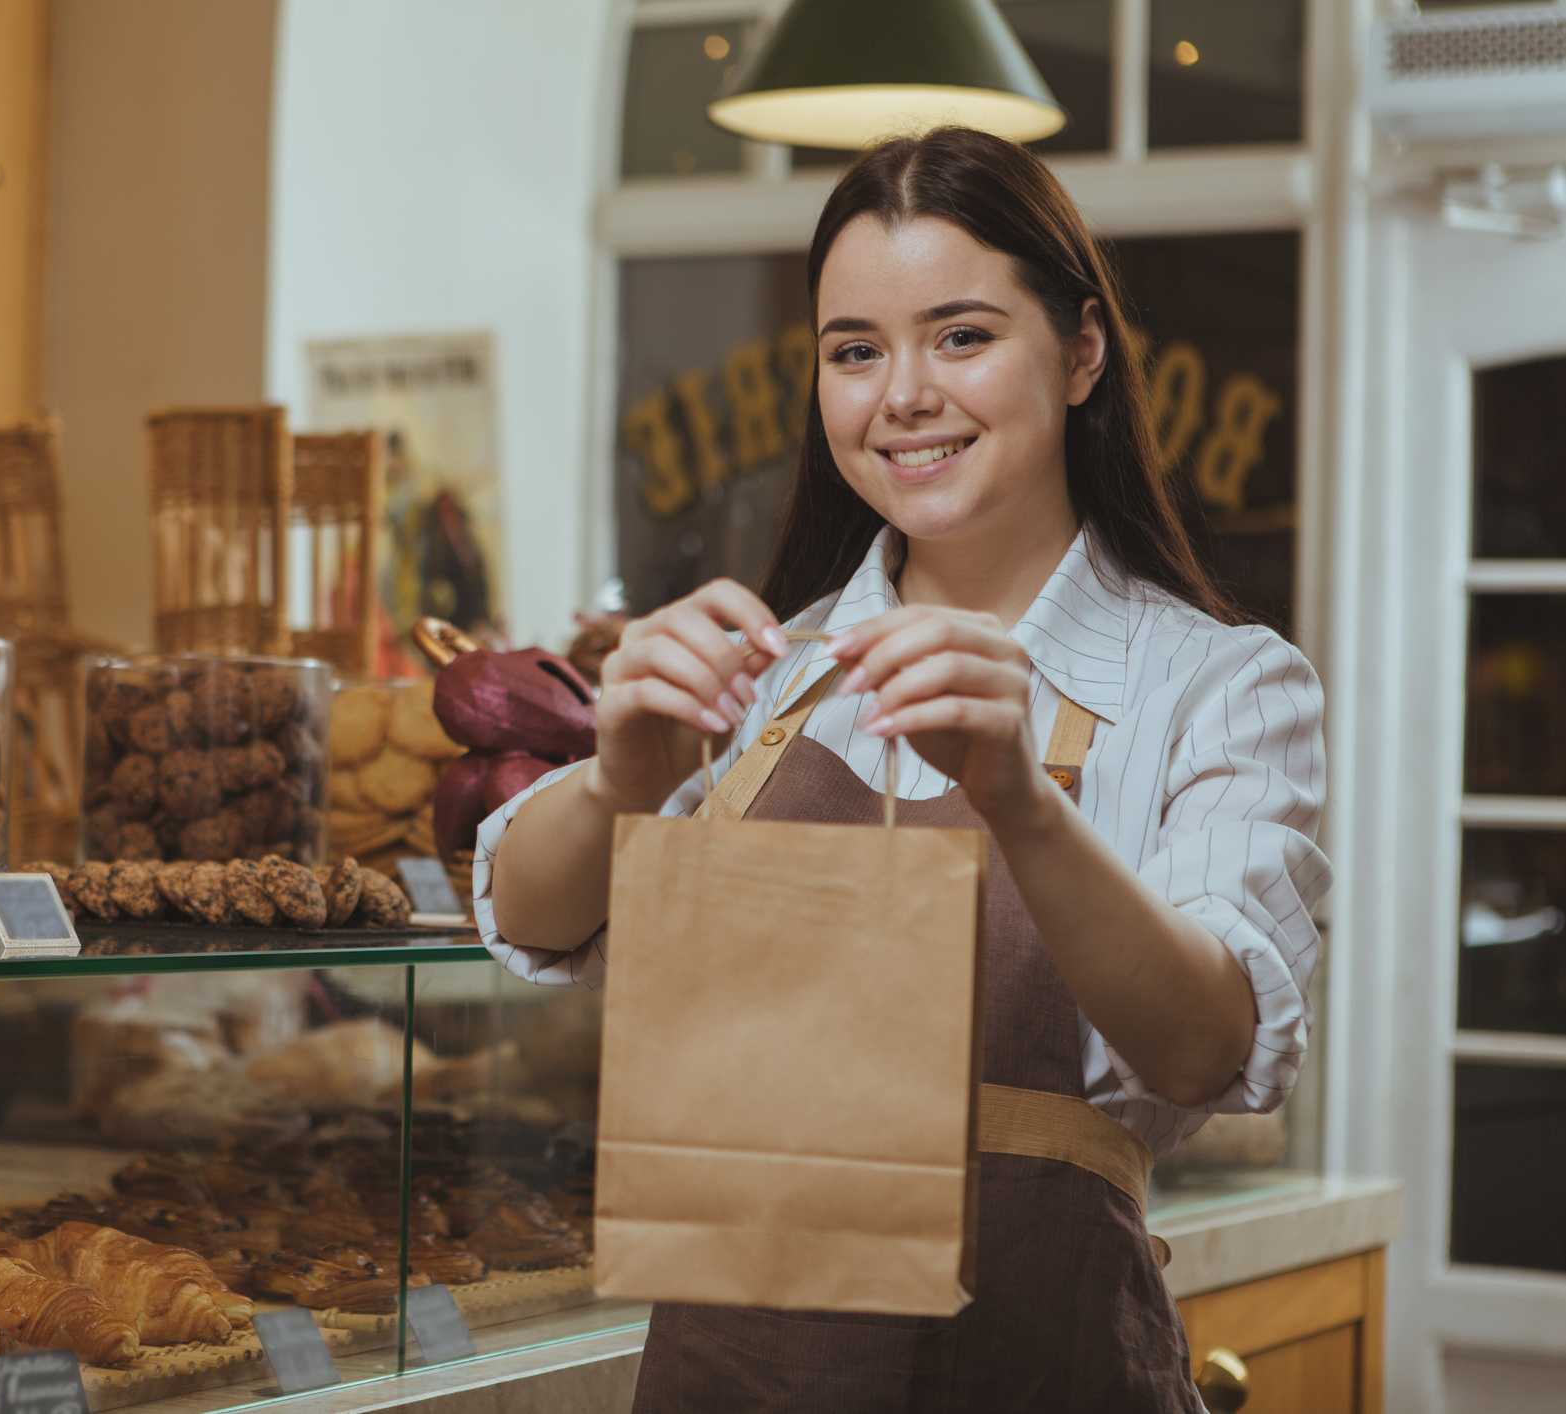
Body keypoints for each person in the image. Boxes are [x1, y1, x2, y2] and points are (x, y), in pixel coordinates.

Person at [474, 127, 1328, 1412]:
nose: (903, 395)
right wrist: (617, 782)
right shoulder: (772, 663)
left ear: (1083, 349)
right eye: (855, 351)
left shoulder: (1221, 683)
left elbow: (1212, 1044)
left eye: (963, 336)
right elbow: (534, 920)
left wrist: (1021, 801)